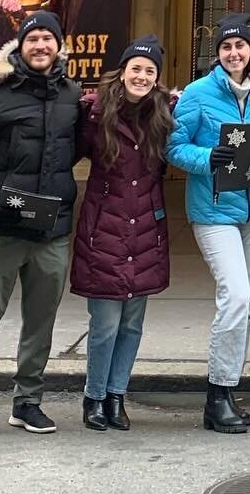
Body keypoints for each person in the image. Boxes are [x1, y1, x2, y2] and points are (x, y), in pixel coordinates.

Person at [0, 10, 81, 440]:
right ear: (20, 48)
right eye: (33, 39)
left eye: (48, 38)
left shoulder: (71, 97)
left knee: (41, 322)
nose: (41, 45)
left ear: (59, 46)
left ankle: (28, 402)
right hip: (2, 228)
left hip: (51, 231)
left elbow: (73, 151)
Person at [168, 18, 250, 435]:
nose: (234, 53)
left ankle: (228, 390)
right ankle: (216, 395)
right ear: (218, 52)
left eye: (241, 46)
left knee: (244, 306)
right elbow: (174, 146)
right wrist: (206, 157)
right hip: (213, 211)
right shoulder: (197, 93)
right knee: (235, 296)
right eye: (226, 46)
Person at [71, 35, 173, 433]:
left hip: (146, 229)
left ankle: (117, 395)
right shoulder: (95, 113)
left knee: (132, 324)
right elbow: (67, 151)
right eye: (137, 68)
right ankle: (94, 396)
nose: (142, 76)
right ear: (123, 71)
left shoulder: (162, 113)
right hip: (105, 228)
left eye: (150, 71)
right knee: (105, 323)